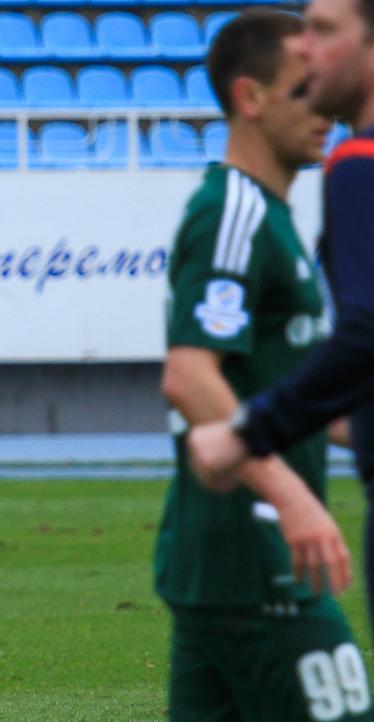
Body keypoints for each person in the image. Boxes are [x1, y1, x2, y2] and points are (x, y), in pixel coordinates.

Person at [155, 11, 372, 722]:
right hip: (260, 554)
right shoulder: (235, 211)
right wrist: (293, 497)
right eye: (300, 91)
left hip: (221, 553)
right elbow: (190, 375)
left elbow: (290, 395)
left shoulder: (274, 218)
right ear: (250, 98)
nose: (323, 111)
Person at [188, 0, 374, 600]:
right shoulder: (243, 211)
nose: (308, 52)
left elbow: (366, 332)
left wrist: (249, 433)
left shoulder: (358, 164)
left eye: (324, 31)